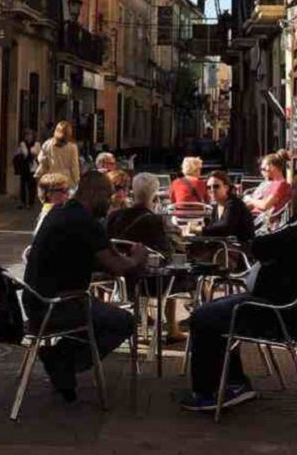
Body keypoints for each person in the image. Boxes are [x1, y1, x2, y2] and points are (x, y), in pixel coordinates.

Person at [180, 164, 297, 412]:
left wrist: (259, 249)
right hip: (271, 303)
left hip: (277, 312)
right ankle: (234, 384)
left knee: (204, 317)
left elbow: (264, 245)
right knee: (213, 310)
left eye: (296, 188)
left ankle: (207, 394)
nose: (291, 193)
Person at [24, 171, 147, 402]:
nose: (110, 202)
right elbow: (117, 266)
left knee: (101, 314)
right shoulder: (84, 221)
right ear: (93, 194)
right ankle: (63, 361)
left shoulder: (60, 213)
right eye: (108, 196)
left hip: (36, 303)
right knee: (126, 322)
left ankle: (61, 358)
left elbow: (88, 257)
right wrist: (138, 258)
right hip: (59, 307)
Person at [107, 173, 186, 342]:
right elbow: (167, 253)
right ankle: (172, 328)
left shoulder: (115, 217)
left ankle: (144, 322)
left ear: (132, 192)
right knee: (174, 268)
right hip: (150, 284)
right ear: (155, 195)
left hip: (119, 280)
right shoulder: (156, 221)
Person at [201, 171, 255, 246]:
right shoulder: (216, 206)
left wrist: (199, 229)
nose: (212, 190)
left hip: (239, 248)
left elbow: (226, 228)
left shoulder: (234, 204)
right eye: (208, 187)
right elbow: (213, 228)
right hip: (224, 245)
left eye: (216, 186)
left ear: (226, 187)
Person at [243, 153, 291, 222]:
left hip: (258, 221)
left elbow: (264, 206)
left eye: (263, 168)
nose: (261, 172)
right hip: (253, 218)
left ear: (272, 167)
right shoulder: (273, 183)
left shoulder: (279, 184)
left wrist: (250, 199)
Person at [36, 121, 81, 185]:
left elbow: (40, 159)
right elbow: (74, 167)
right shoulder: (72, 148)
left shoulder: (47, 144)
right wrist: (77, 180)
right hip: (66, 182)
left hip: (51, 180)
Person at [14, 129, 42, 210]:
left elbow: (38, 154)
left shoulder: (36, 144)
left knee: (32, 186)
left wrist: (33, 153)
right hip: (24, 167)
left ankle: (31, 202)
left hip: (33, 167)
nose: (28, 137)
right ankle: (23, 202)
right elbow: (23, 154)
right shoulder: (22, 144)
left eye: (29, 135)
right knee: (23, 185)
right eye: (26, 135)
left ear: (33, 136)